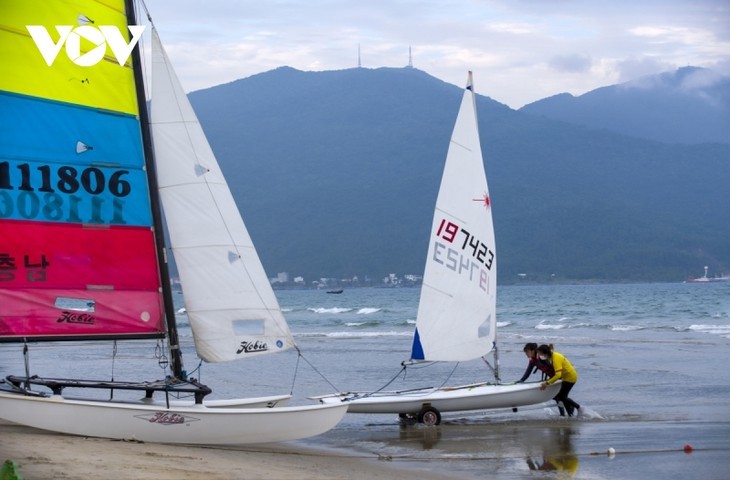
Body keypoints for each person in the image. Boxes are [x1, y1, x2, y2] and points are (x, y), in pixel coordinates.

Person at [517, 342, 565, 416]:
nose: (526, 354)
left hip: (558, 377)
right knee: (557, 396)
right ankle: (565, 413)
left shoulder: (541, 357)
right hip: (552, 378)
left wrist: (550, 381)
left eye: (526, 352)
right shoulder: (533, 359)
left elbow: (553, 366)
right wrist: (521, 381)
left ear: (532, 351)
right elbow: (528, 371)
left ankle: (564, 414)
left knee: (559, 396)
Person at [538, 344, 581, 417]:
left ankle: (578, 407)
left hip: (570, 377)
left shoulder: (555, 358)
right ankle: (570, 415)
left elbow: (558, 375)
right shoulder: (552, 357)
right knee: (563, 397)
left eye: (540, 353)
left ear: (545, 353)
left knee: (561, 397)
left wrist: (547, 383)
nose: (539, 355)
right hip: (566, 377)